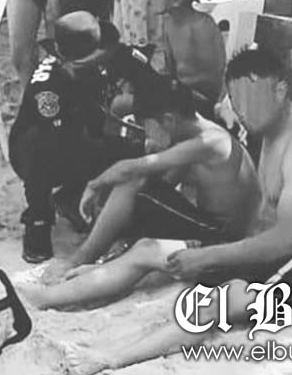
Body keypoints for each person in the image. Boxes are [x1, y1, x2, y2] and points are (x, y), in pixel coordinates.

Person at [54, 49, 292, 375]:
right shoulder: (269, 126)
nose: (244, 110)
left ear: (280, 91)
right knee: (148, 249)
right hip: (261, 250)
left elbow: (284, 240)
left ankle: (110, 359)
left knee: (217, 302)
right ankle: (43, 297)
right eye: (238, 100)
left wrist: (208, 257)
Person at [35, 75, 260, 290]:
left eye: (150, 125)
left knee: (131, 183)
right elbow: (165, 186)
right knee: (135, 191)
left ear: (169, 120)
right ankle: (106, 253)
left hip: (222, 236)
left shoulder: (208, 141)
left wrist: (94, 185)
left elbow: (130, 169)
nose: (150, 132)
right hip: (212, 224)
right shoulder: (195, 135)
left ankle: (80, 259)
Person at [9, 11, 151, 263]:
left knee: (139, 151)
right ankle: (38, 219)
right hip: (40, 150)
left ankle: (71, 198)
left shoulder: (115, 53)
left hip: (89, 135)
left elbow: (155, 86)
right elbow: (54, 140)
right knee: (42, 146)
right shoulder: (47, 85)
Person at [153, 0, 225, 120]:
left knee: (125, 105)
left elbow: (217, 74)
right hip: (178, 92)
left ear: (176, 0)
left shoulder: (202, 26)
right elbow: (170, 67)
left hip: (202, 99)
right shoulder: (168, 23)